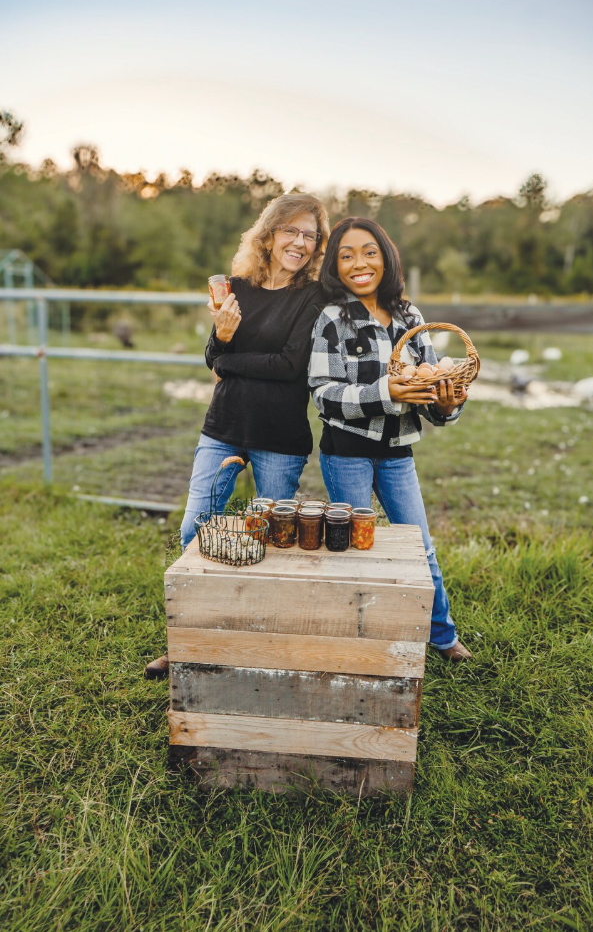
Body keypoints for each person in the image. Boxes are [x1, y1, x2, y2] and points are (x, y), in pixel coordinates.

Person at [145, 193, 330, 678]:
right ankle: (190, 640)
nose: (300, 241)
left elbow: (291, 366)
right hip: (224, 427)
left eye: (310, 235)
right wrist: (221, 342)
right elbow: (213, 355)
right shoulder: (238, 287)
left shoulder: (311, 297)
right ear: (269, 234)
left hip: (279, 435)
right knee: (195, 530)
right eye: (291, 230)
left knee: (271, 541)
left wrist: (228, 359)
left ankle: (261, 646)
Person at [308, 217, 471, 660]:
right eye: (346, 255)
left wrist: (444, 401)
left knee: (421, 546)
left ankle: (442, 635)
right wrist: (386, 391)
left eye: (369, 252)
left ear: (386, 258)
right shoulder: (332, 319)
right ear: (335, 267)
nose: (358, 263)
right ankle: (358, 640)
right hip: (346, 452)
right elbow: (323, 394)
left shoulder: (409, 316)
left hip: (398, 453)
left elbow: (431, 383)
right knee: (355, 549)